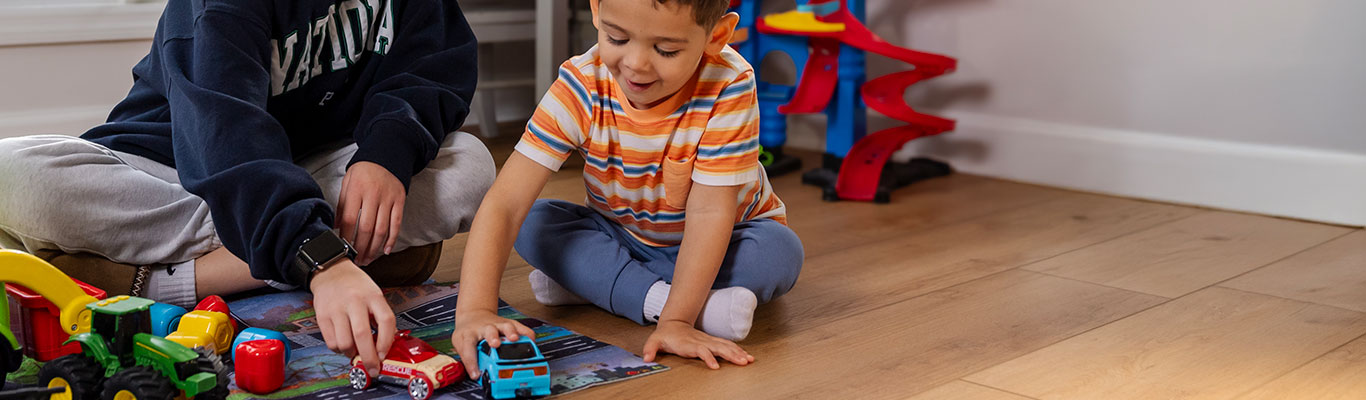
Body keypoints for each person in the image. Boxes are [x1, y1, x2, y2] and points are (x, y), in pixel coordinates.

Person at [0, 0, 493, 378]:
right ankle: (301, 251)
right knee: (16, 174)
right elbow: (224, 129)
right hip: (171, 167)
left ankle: (159, 277)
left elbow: (433, 68)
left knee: (471, 166)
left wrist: (386, 154)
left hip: (311, 167)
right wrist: (321, 259)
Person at [450, 0, 803, 376]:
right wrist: (475, 311)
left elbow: (710, 212)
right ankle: (672, 299)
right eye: (617, 38)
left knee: (779, 253)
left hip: (724, 237)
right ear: (598, 11)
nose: (636, 64)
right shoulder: (581, 84)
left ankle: (606, 286)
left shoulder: (729, 82)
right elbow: (506, 203)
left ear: (716, 36)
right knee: (535, 223)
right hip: (623, 235)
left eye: (665, 50)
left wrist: (677, 323)